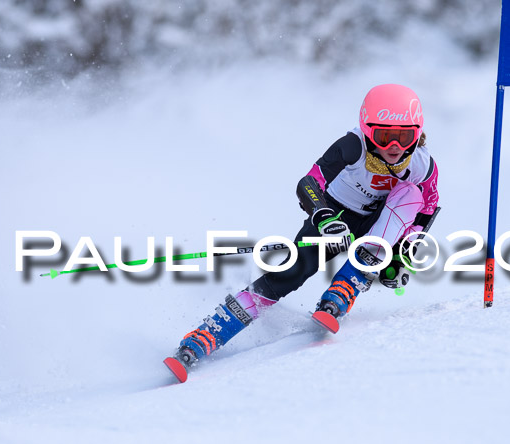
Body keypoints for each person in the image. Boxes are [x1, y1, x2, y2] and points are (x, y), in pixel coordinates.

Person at [164, 84, 439, 382]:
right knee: (288, 274)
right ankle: (203, 337)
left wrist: (402, 256)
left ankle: (344, 289)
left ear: (418, 133)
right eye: (384, 136)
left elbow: (427, 209)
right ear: (366, 128)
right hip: (335, 217)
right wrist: (323, 217)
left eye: (405, 137)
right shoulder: (353, 146)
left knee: (411, 194)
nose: (394, 147)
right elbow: (309, 182)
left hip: (378, 226)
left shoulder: (423, 165)